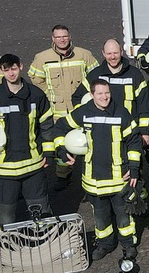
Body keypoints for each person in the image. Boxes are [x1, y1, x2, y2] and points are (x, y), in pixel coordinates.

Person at [56, 79, 142, 271]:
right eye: (100, 94)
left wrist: (134, 168)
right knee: (100, 217)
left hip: (119, 177)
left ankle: (128, 245)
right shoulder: (83, 112)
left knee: (124, 216)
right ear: (92, 94)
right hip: (93, 179)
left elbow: (134, 141)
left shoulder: (121, 113)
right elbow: (60, 127)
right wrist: (62, 150)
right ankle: (105, 244)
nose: (104, 97)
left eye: (107, 93)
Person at [0, 54, 55, 227]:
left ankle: (44, 241)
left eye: (14, 69)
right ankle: (6, 244)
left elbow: (47, 126)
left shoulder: (36, 95)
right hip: (5, 172)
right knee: (6, 219)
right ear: (1, 70)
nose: (11, 73)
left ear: (21, 66)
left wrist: (49, 153)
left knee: (42, 215)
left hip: (34, 168)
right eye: (6, 70)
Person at [29, 25, 98, 188]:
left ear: (70, 36)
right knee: (60, 144)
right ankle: (63, 175)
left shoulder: (84, 55)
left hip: (80, 110)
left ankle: (92, 173)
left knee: (89, 141)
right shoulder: (42, 58)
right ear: (53, 39)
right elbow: (35, 78)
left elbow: (96, 76)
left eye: (65, 36)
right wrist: (49, 93)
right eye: (58, 37)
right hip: (57, 112)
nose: (62, 40)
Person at [79, 39, 149, 140]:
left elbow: (144, 106)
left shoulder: (134, 75)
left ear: (121, 52)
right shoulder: (95, 75)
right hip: (102, 132)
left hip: (129, 131)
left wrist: (144, 132)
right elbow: (78, 97)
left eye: (115, 53)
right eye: (109, 53)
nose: (113, 57)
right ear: (103, 53)